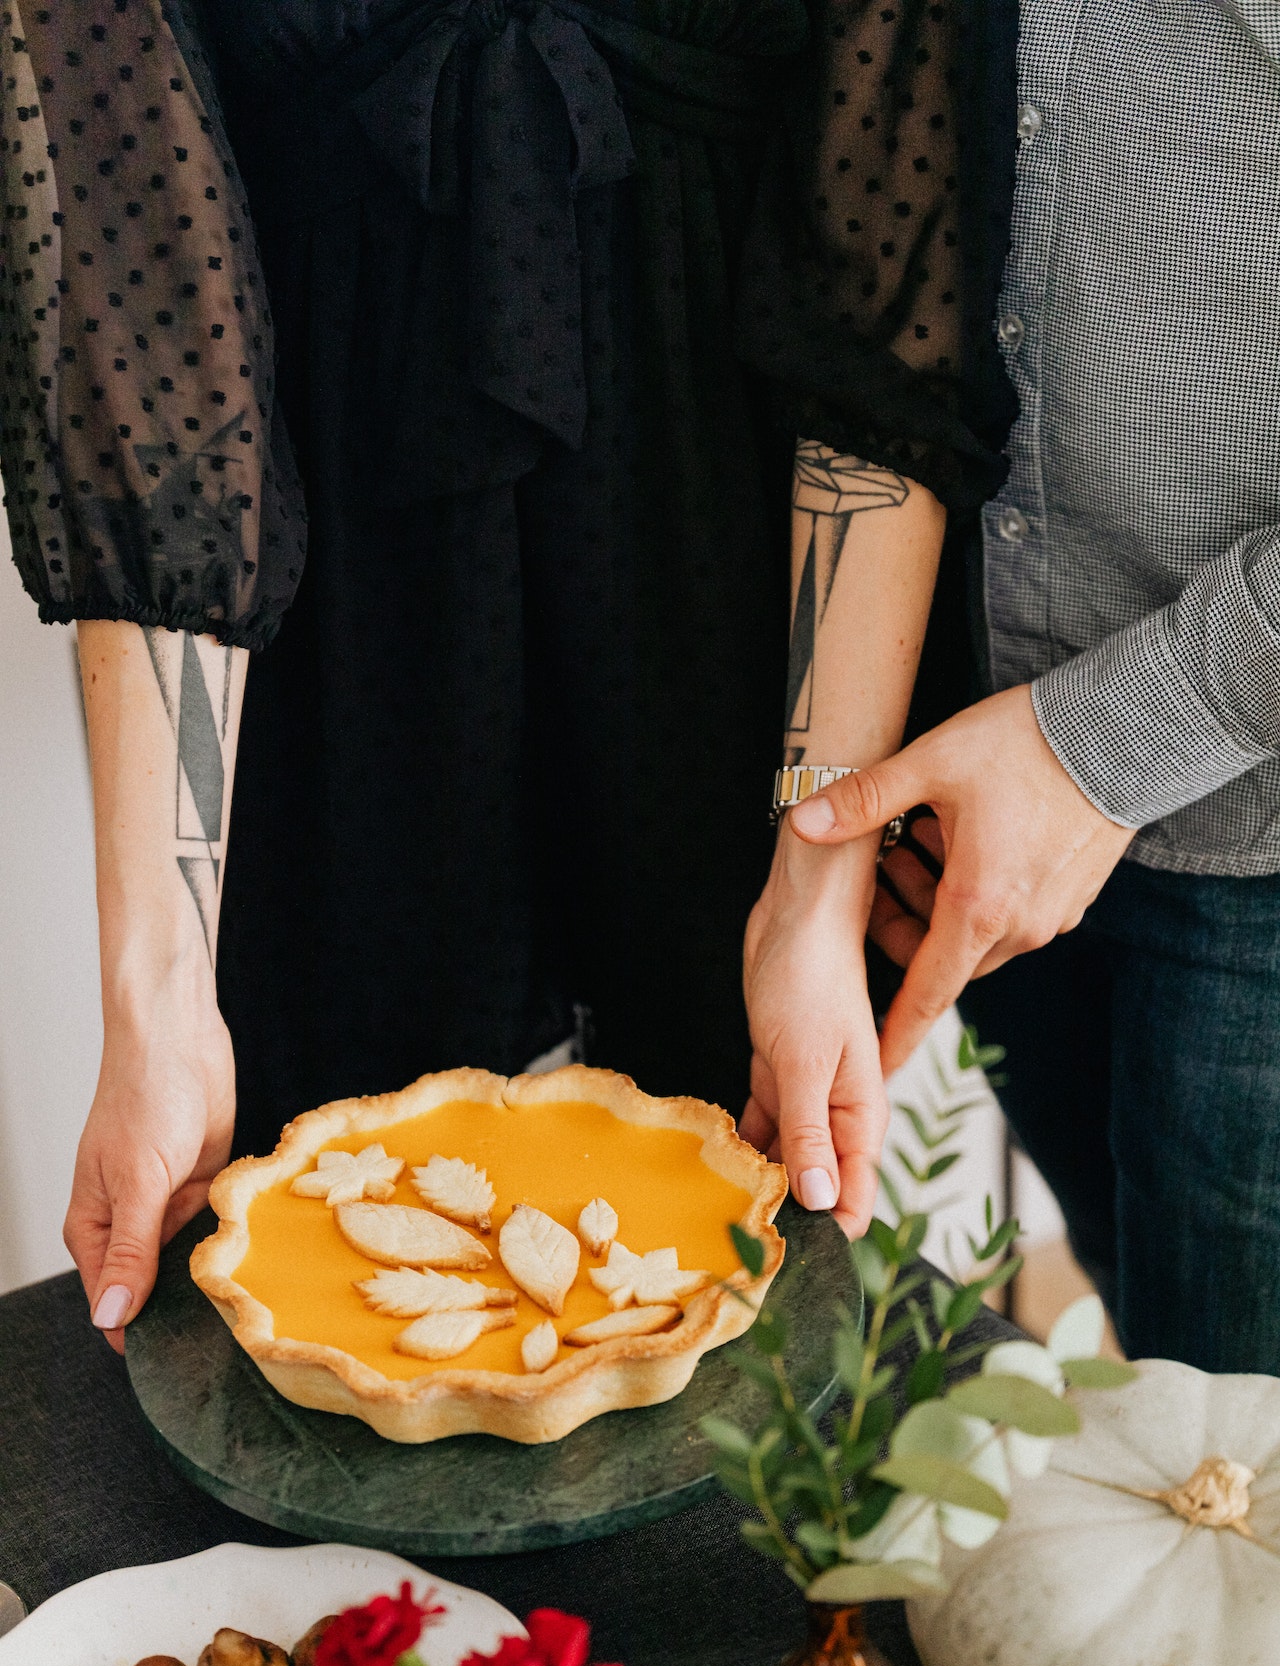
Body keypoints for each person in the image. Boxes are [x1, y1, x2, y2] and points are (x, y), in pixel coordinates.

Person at [2, 2, 1015, 1348]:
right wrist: (159, 992)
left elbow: (892, 237)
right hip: (321, 538)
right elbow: (133, 318)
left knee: (745, 1308)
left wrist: (814, 889)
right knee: (338, 1280)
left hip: (742, 532)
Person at [753, 0, 1280, 1375]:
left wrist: (1103, 746)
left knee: (1238, 1466)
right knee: (1143, 1349)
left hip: (1248, 827)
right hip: (968, 779)